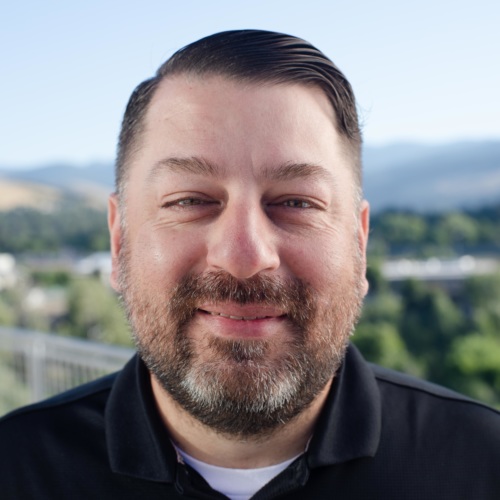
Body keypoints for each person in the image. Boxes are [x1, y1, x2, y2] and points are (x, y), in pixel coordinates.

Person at [0, 29, 499, 500]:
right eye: (190, 200)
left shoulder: (482, 467)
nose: (243, 257)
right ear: (119, 238)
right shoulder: (15, 469)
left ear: (359, 242)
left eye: (297, 202)